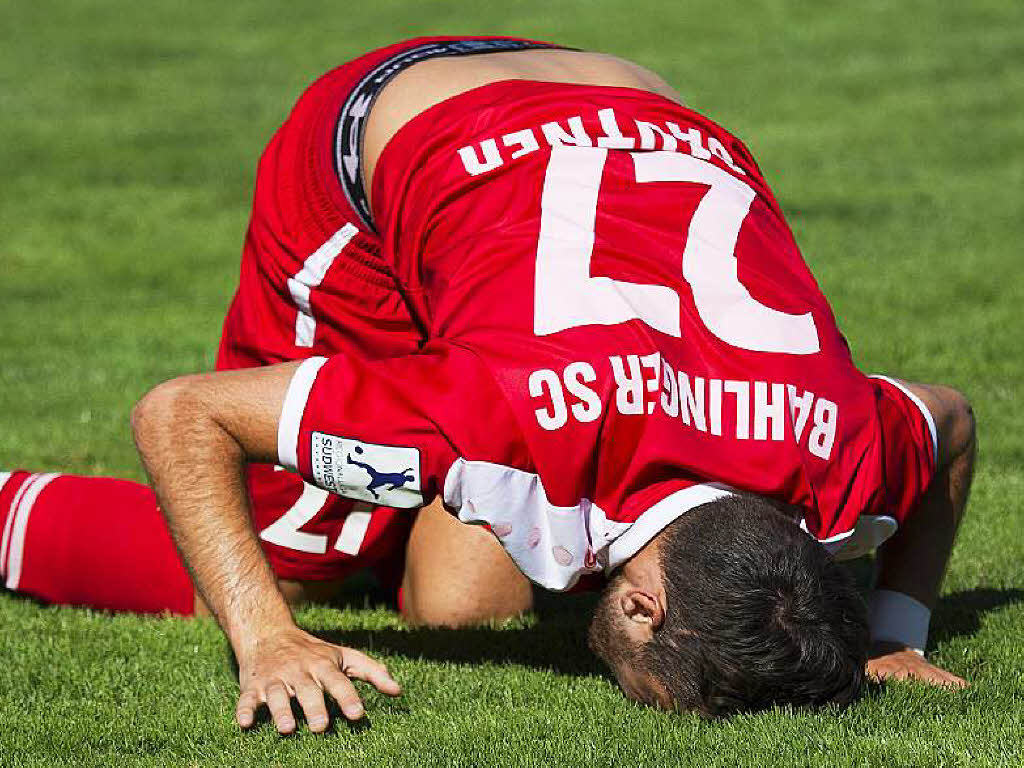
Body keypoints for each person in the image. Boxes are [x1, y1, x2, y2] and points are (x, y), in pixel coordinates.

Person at [0, 37, 975, 734]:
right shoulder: (494, 417)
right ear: (641, 608)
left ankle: (380, 483)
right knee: (295, 553)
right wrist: (265, 637)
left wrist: (891, 631)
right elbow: (180, 412)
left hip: (627, 88)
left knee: (461, 605)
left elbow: (948, 423)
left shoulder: (846, 454)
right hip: (385, 128)